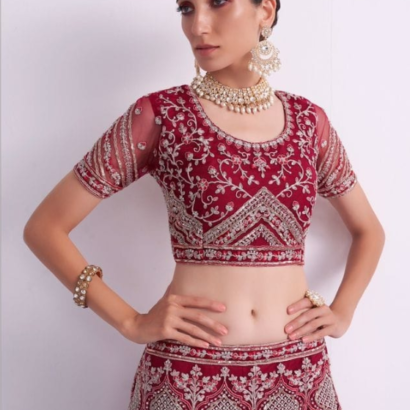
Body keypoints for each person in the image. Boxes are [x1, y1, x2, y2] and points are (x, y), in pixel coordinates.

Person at [23, 0, 385, 409]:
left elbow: (368, 231)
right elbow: (45, 228)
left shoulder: (308, 121)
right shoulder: (160, 115)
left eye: (217, 3)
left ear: (265, 11)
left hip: (299, 373)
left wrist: (342, 312)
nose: (198, 26)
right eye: (186, 9)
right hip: (188, 376)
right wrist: (130, 321)